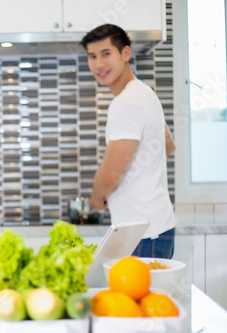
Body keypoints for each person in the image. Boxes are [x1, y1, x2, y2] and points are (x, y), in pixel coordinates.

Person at [81, 24, 177, 259]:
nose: (99, 64)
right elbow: (168, 145)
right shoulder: (144, 93)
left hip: (142, 233)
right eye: (92, 56)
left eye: (106, 54)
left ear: (125, 54)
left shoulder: (127, 102)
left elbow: (109, 175)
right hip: (155, 227)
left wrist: (96, 198)